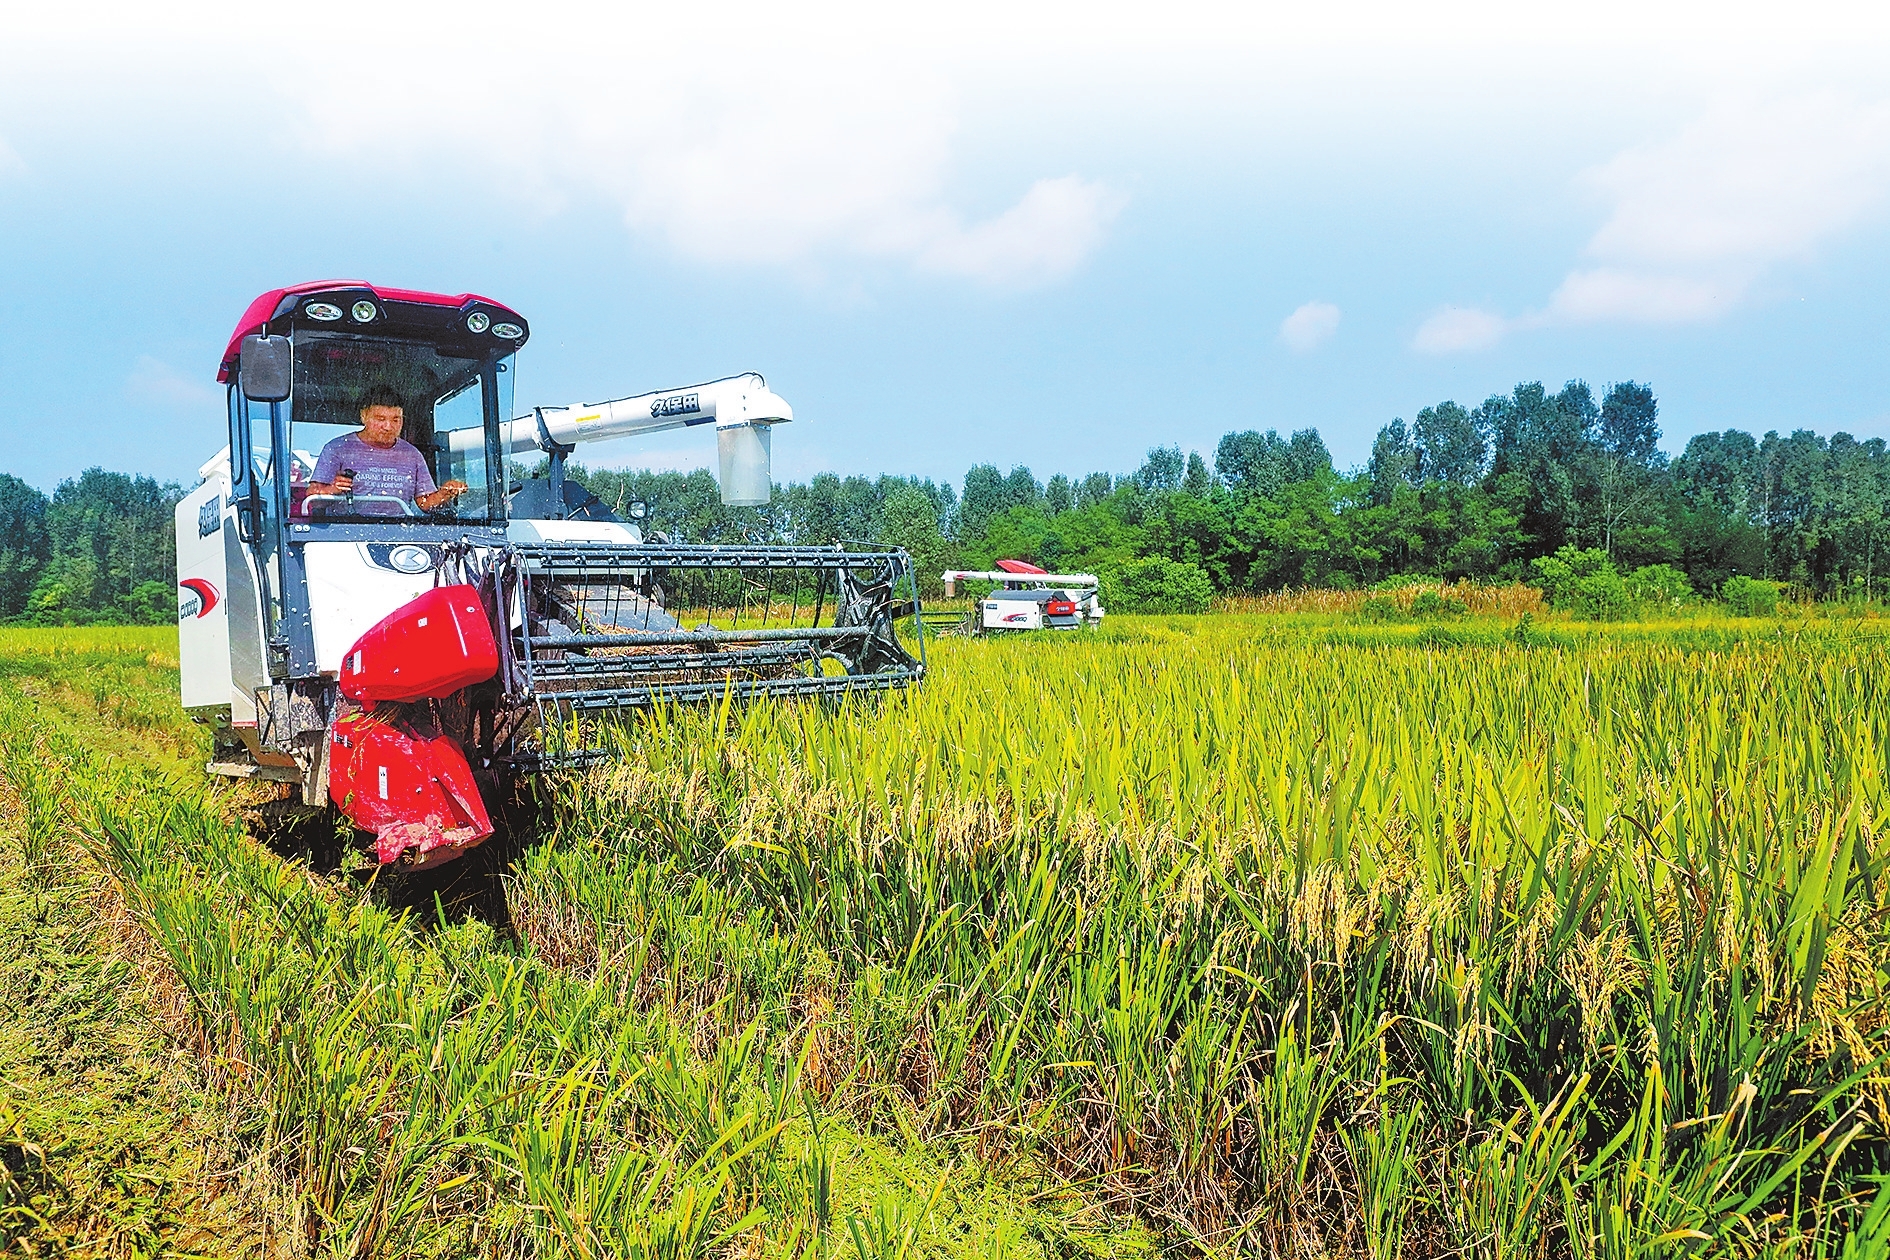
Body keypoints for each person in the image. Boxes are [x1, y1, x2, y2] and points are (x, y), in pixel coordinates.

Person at [306, 384, 469, 515]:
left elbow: (425, 504)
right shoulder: (337, 448)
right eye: (380, 419)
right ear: (364, 416)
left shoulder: (412, 455)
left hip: (399, 534)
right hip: (344, 535)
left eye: (395, 419)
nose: (388, 426)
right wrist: (331, 489)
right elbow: (313, 499)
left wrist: (445, 493)